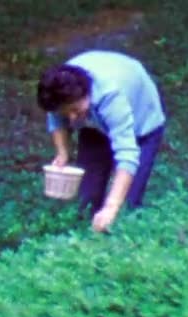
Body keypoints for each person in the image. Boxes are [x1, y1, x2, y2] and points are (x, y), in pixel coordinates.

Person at [37, 50, 168, 232]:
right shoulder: (57, 88)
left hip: (142, 125)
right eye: (67, 112)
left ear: (86, 93)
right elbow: (55, 116)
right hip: (96, 125)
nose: (72, 119)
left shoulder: (110, 95)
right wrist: (63, 153)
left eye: (75, 109)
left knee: (126, 206)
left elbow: (127, 154)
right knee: (87, 199)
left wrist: (111, 207)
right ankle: (87, 239)